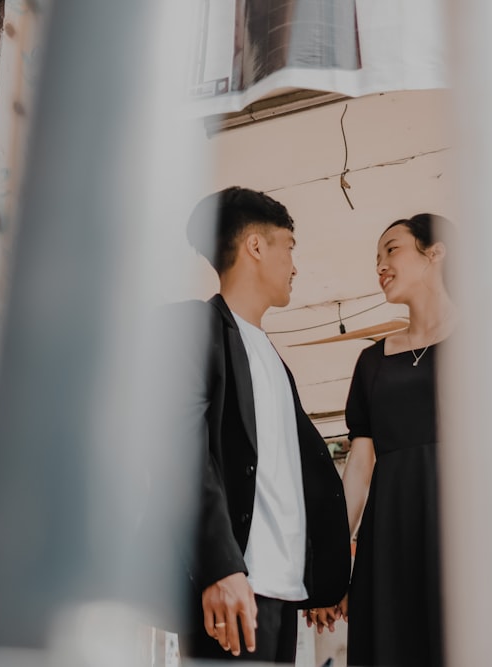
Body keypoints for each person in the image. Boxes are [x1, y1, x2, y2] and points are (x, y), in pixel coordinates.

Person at [170, 186, 351, 663]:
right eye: (289, 247)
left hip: (281, 594)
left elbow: (289, 479)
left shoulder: (272, 359)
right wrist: (218, 568)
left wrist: (321, 578)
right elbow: (181, 454)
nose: (295, 266)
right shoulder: (195, 329)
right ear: (255, 246)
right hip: (232, 590)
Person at [316, 213, 456, 666]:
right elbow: (360, 466)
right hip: (389, 532)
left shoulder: (486, 340)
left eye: (391, 250)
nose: (380, 266)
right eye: (376, 258)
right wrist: (333, 568)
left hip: (463, 524)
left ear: (434, 253)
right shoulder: (371, 362)